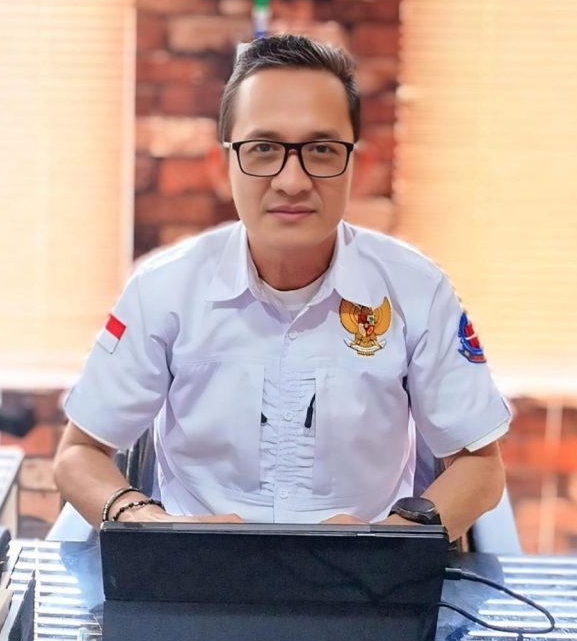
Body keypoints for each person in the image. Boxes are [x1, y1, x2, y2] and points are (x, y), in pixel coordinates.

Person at [54, 34, 511, 536]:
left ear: (356, 165)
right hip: (196, 566)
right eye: (264, 149)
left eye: (321, 149)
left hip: (364, 570)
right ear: (222, 167)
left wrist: (387, 540)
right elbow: (79, 453)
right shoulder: (162, 290)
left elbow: (480, 467)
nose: (292, 181)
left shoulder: (416, 290)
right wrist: (151, 524)